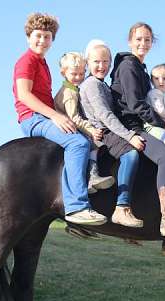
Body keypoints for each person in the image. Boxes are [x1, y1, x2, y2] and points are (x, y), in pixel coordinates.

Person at [12, 13, 106, 225]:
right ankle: (76, 206)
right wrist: (56, 116)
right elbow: (24, 95)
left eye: (47, 36)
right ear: (29, 37)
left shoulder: (42, 63)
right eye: (38, 36)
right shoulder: (26, 61)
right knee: (78, 142)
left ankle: (90, 178)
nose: (42, 40)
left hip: (44, 115)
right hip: (33, 118)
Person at [110, 22, 165, 237]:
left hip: (141, 123)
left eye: (147, 40)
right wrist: (164, 125)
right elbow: (136, 105)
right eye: (138, 39)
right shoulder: (129, 66)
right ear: (130, 41)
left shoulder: (142, 69)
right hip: (130, 125)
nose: (143, 43)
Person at [79, 40, 143, 227]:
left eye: (106, 62)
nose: (101, 66)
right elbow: (105, 115)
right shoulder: (92, 84)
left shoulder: (103, 84)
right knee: (131, 154)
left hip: (109, 129)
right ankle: (122, 206)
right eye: (97, 62)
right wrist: (129, 135)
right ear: (88, 63)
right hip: (104, 131)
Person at [53, 51, 114, 194]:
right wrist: (91, 130)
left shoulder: (73, 88)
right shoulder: (69, 93)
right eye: (74, 74)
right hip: (68, 125)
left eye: (81, 74)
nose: (78, 78)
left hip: (71, 122)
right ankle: (92, 176)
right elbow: (74, 118)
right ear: (63, 73)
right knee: (92, 144)